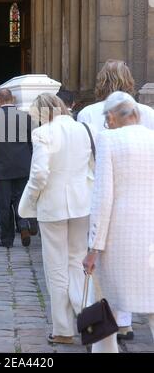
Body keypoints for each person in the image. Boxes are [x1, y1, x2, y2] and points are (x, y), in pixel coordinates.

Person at [78, 59, 154, 339]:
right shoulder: (145, 112)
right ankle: (127, 322)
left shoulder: (88, 113)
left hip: (103, 193)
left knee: (106, 273)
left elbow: (85, 156)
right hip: (145, 203)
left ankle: (114, 324)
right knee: (141, 270)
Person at [19, 94, 95, 345]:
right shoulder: (83, 129)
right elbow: (91, 167)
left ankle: (63, 329)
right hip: (81, 204)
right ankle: (91, 322)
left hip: (53, 206)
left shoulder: (43, 133)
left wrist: (28, 201)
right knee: (78, 263)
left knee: (56, 268)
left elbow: (39, 174)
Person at [0, 88, 36, 248]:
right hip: (23, 167)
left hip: (1, 168)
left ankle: (6, 239)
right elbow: (32, 143)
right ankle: (24, 225)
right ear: (12, 99)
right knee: (21, 199)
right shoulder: (26, 117)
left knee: (4, 204)